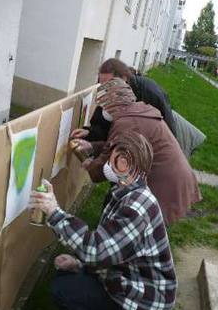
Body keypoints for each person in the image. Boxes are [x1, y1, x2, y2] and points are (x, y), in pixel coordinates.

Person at [29, 131, 177, 310]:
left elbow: (96, 250)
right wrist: (79, 264)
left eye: (111, 159)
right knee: (66, 276)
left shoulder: (135, 208)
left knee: (63, 290)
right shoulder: (126, 191)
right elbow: (109, 248)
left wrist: (54, 212)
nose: (105, 163)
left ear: (125, 164)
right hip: (130, 277)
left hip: (147, 298)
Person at [77, 78, 201, 225]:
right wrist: (91, 146)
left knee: (141, 232)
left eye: (103, 105)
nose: (102, 110)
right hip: (174, 177)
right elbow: (117, 145)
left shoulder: (128, 122)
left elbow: (112, 163)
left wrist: (91, 165)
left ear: (111, 104)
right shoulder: (138, 111)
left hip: (163, 184)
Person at [71, 58, 176, 142]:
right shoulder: (109, 94)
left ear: (124, 78)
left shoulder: (151, 92)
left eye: (110, 83)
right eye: (102, 85)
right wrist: (88, 133)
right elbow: (102, 126)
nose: (106, 89)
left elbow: (169, 131)